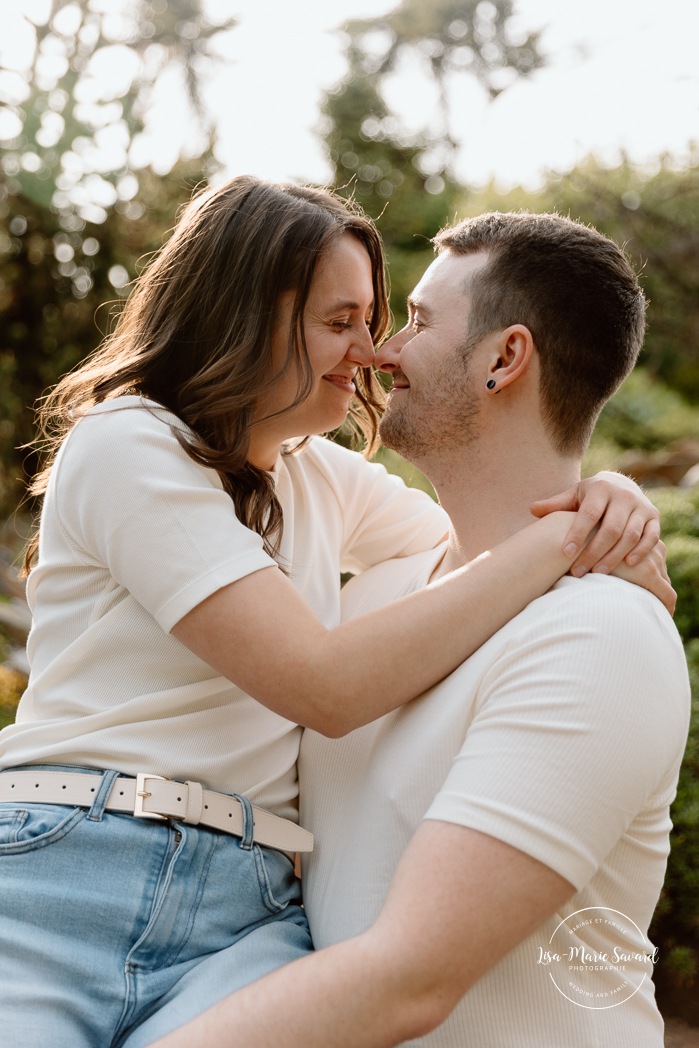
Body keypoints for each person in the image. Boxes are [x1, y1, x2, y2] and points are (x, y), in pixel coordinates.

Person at [0, 179, 667, 1048]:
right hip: (77, 856)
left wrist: (602, 504)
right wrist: (564, 538)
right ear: (245, 316)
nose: (372, 351)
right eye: (340, 321)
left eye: (394, 320)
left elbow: (472, 547)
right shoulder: (132, 442)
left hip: (245, 916)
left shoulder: (316, 475)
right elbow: (328, 679)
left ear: (505, 358)